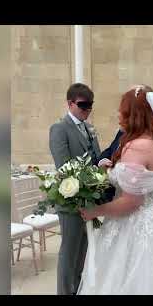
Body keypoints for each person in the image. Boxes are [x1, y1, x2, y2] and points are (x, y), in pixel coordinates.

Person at [77, 86, 153, 294]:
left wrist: (94, 212)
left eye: (122, 110)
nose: (118, 114)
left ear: (134, 114)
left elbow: (131, 202)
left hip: (135, 227)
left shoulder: (137, 146)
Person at [49, 83, 101, 295]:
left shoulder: (89, 128)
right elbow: (64, 165)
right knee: (69, 255)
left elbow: (95, 158)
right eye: (83, 106)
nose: (87, 110)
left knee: (82, 253)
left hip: (89, 201)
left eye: (90, 106)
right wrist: (92, 177)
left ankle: (78, 291)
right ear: (70, 103)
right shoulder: (59, 129)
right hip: (70, 201)